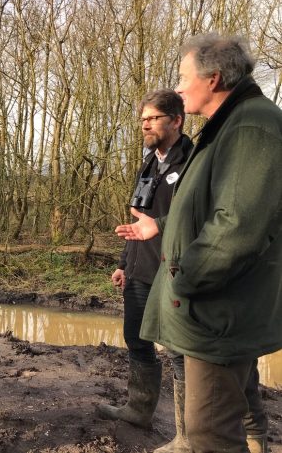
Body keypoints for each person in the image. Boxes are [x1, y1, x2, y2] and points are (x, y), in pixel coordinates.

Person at [116, 32, 281, 453]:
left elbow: (236, 226)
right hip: (193, 294)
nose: (178, 86)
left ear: (212, 78)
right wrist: (149, 239)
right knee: (210, 426)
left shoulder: (250, 126)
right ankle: (154, 418)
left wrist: (184, 282)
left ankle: (234, 436)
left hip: (210, 303)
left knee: (210, 433)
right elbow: (196, 213)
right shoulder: (226, 127)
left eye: (183, 76)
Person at [98, 90, 192, 434]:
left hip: (174, 272)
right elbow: (138, 220)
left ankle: (187, 433)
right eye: (142, 120)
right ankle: (138, 410)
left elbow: (196, 222)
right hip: (139, 270)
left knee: (179, 352)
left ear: (177, 120)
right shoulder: (149, 161)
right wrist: (124, 263)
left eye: (153, 118)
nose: (145, 126)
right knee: (136, 339)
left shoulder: (193, 162)